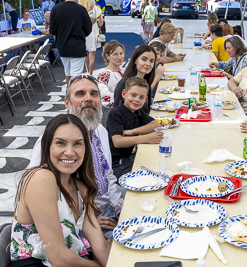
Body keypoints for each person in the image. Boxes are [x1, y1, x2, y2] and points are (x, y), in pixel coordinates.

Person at [29, 75, 124, 239]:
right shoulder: (51, 141)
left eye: (94, 94)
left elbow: (108, 175)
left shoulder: (100, 130)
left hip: (107, 210)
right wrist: (84, 221)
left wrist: (119, 208)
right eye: (80, 94)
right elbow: (35, 197)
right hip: (77, 225)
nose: (89, 99)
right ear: (67, 103)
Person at [12, 114, 111, 266]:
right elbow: (59, 259)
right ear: (46, 145)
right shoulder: (41, 179)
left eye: (77, 144)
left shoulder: (81, 188)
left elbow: (100, 246)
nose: (70, 152)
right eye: (60, 143)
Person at [107, 76, 163, 178]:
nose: (137, 100)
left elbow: (156, 124)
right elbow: (117, 142)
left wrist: (132, 131)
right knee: (152, 174)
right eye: (133, 95)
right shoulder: (116, 114)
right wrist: (145, 138)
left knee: (157, 164)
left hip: (127, 158)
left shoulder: (138, 111)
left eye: (141, 97)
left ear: (145, 99)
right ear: (124, 94)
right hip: (116, 164)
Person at [50, 0, 92, 85]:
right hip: (77, 46)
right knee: (76, 76)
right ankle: (73, 96)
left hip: (62, 46)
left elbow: (52, 30)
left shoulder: (56, 8)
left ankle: (69, 94)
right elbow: (88, 29)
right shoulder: (81, 9)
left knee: (68, 73)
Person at [113, 45, 157, 111]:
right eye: (144, 59)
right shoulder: (125, 84)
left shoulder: (145, 81)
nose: (148, 64)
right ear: (135, 60)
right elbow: (116, 113)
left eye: (151, 61)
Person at [97, 40, 126, 108]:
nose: (119, 57)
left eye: (121, 53)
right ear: (107, 56)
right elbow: (104, 96)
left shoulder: (123, 71)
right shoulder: (104, 74)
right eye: (115, 54)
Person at [80, 0, 103, 75]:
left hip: (83, 33)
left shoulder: (80, 8)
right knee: (92, 55)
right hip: (93, 34)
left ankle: (87, 72)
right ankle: (90, 74)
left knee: (86, 54)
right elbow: (101, 24)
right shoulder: (95, 8)